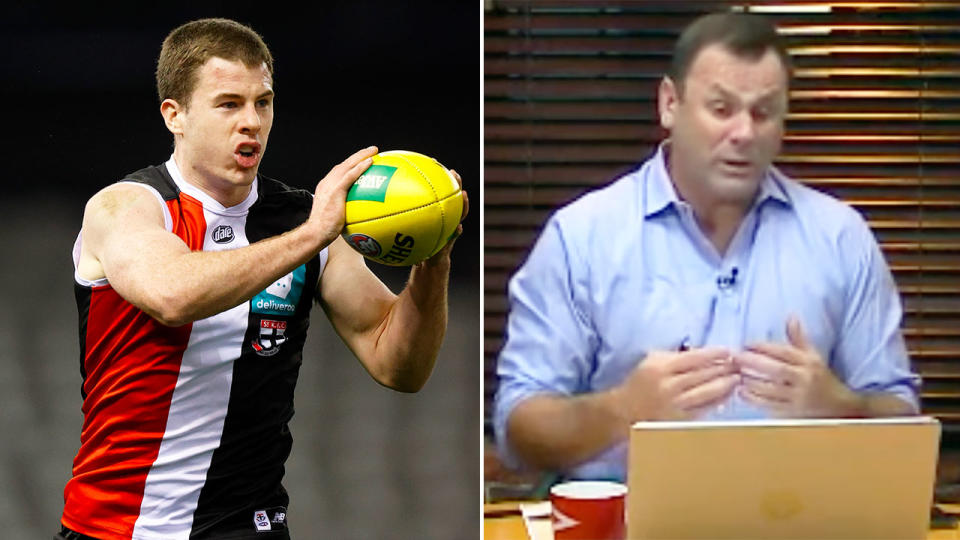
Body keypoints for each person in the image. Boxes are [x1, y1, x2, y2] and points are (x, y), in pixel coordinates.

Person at [59, 18, 467, 540]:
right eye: (228, 104)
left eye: (263, 102)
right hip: (114, 527)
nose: (251, 121)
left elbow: (399, 366)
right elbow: (172, 295)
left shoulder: (303, 221)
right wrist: (314, 233)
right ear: (175, 115)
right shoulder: (126, 207)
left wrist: (434, 257)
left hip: (247, 526)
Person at [494, 12, 919, 483]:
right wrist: (622, 409)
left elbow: (903, 415)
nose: (743, 132)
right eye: (721, 109)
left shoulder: (841, 237)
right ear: (670, 104)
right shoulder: (581, 239)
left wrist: (843, 408)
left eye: (762, 112)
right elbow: (518, 427)